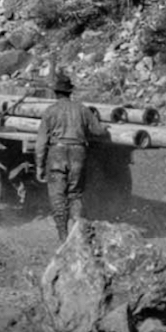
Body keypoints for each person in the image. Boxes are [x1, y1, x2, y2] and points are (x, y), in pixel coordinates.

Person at [34, 71, 107, 242]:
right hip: (78, 153)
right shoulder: (82, 109)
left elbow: (41, 142)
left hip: (57, 153)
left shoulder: (50, 111)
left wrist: (39, 165)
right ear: (70, 92)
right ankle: (78, 235)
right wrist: (107, 129)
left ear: (55, 93)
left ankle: (63, 237)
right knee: (75, 195)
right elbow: (97, 130)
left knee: (57, 197)